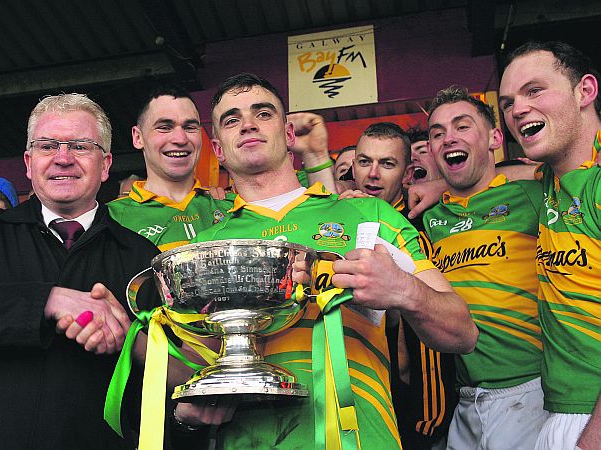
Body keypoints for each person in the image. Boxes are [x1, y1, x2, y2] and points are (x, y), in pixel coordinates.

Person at [172, 73, 477, 449]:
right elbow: (192, 360)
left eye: (262, 113)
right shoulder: (206, 247)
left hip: (362, 438)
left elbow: (463, 333)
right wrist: (184, 403)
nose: (248, 124)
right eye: (232, 120)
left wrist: (403, 289)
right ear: (218, 150)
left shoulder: (369, 216)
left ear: (287, 134)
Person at [0, 93, 159, 450]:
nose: (63, 158)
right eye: (48, 146)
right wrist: (47, 301)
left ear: (106, 164)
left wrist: (126, 340)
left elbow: (159, 385)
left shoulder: (142, 257)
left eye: (80, 146)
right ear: (28, 162)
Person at [423, 86, 547, 450]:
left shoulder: (532, 195)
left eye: (462, 127)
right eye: (437, 133)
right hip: (463, 402)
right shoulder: (427, 219)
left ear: (495, 138)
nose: (449, 139)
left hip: (533, 390)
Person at [499, 41, 601, 450]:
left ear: (585, 91)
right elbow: (513, 174)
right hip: (559, 411)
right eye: (507, 102)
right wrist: (436, 184)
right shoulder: (550, 181)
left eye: (534, 90)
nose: (517, 109)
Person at [343, 122, 456, 449]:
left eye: (387, 164)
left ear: (407, 174)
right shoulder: (337, 224)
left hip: (416, 413)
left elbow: (427, 345)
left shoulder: (416, 230)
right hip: (357, 406)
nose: (373, 174)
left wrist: (428, 422)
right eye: (364, 162)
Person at [107, 85, 231, 252]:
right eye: (164, 127)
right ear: (138, 137)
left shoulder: (230, 206)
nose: (180, 139)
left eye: (190, 127)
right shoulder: (110, 219)